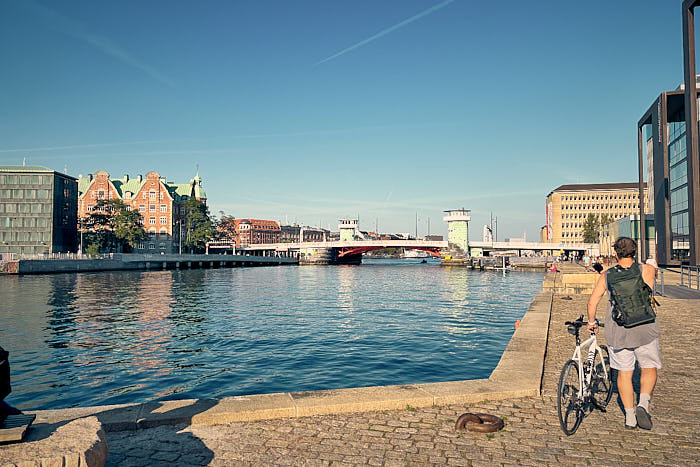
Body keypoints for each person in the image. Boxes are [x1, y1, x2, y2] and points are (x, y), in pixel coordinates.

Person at [587, 237, 660, 430]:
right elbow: (650, 291)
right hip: (646, 328)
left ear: (616, 253)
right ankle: (643, 403)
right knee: (649, 368)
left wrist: (592, 322)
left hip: (619, 331)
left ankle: (629, 417)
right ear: (635, 252)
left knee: (625, 374)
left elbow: (592, 302)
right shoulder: (647, 270)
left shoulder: (607, 276)